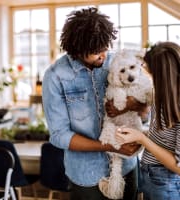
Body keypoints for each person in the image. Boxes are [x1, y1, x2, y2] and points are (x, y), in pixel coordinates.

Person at [42, 7, 145, 200]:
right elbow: (59, 135)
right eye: (96, 51)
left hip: (127, 166)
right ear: (77, 48)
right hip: (86, 176)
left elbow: (146, 106)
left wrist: (133, 105)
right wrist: (110, 146)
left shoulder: (117, 62)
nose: (104, 55)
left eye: (105, 47)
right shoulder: (55, 76)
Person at [116, 41, 180, 200]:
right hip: (152, 175)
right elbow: (164, 136)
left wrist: (142, 139)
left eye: (151, 74)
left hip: (165, 181)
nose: (147, 77)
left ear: (163, 75)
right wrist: (139, 134)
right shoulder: (166, 94)